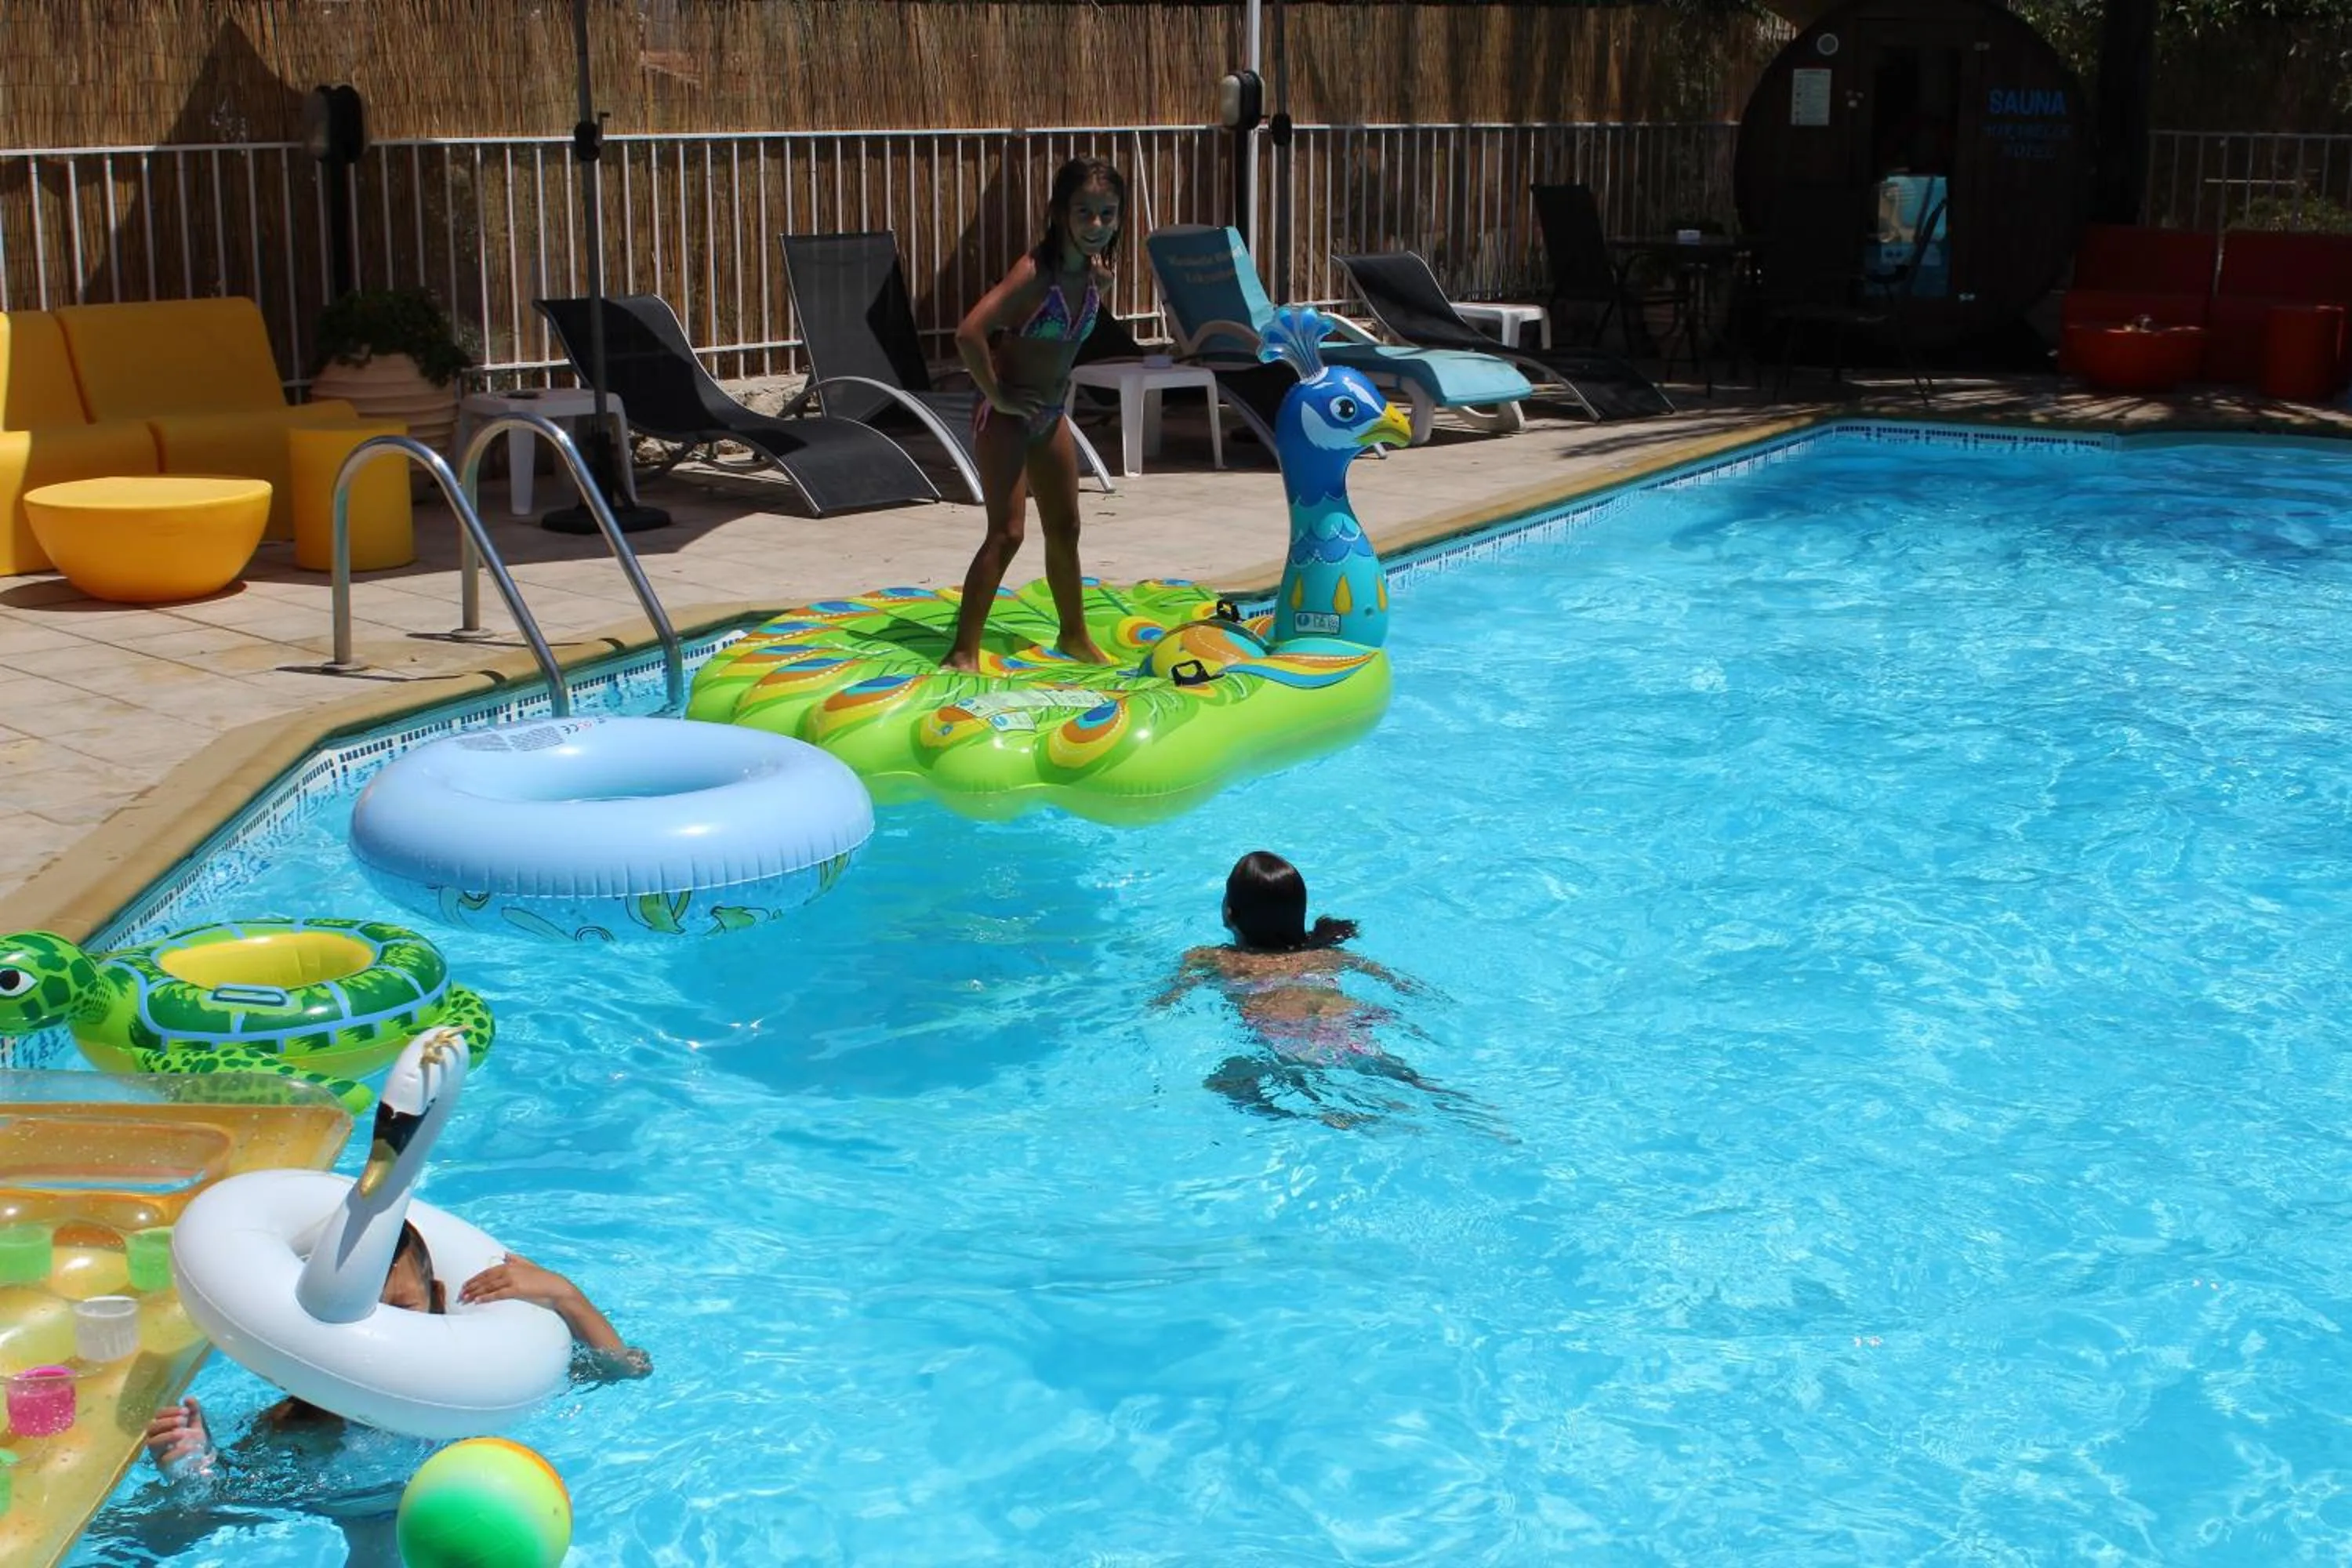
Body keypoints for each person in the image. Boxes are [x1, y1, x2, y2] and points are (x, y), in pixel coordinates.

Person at [128, 1222, 646, 1564]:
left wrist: (565, 1295)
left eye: (401, 1307)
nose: (382, 1335)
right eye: (364, 1315)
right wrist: (196, 1471)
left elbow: (622, 1372)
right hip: (368, 1517)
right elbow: (226, 1504)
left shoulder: (473, 1378)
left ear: (438, 1301)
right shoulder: (303, 1422)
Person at [941, 154, 1126, 673]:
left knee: (1066, 526)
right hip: (1005, 415)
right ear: (1058, 213)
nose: (1096, 225)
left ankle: (1073, 635)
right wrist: (996, 395)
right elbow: (968, 333)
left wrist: (1100, 290)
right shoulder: (1033, 275)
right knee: (1009, 532)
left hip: (1049, 413)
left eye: (1107, 214)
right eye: (1084, 212)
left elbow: (1085, 310)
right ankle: (961, 654)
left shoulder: (1094, 274)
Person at [1156, 851, 1469, 1127]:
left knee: (1225, 1084)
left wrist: (1162, 1004)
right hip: (1348, 1029)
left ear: (1229, 913)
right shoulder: (1324, 955)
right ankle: (1478, 1118)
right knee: (1407, 1079)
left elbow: (1171, 997)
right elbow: (1395, 981)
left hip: (1288, 1043)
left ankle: (1321, 1116)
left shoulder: (1214, 959)